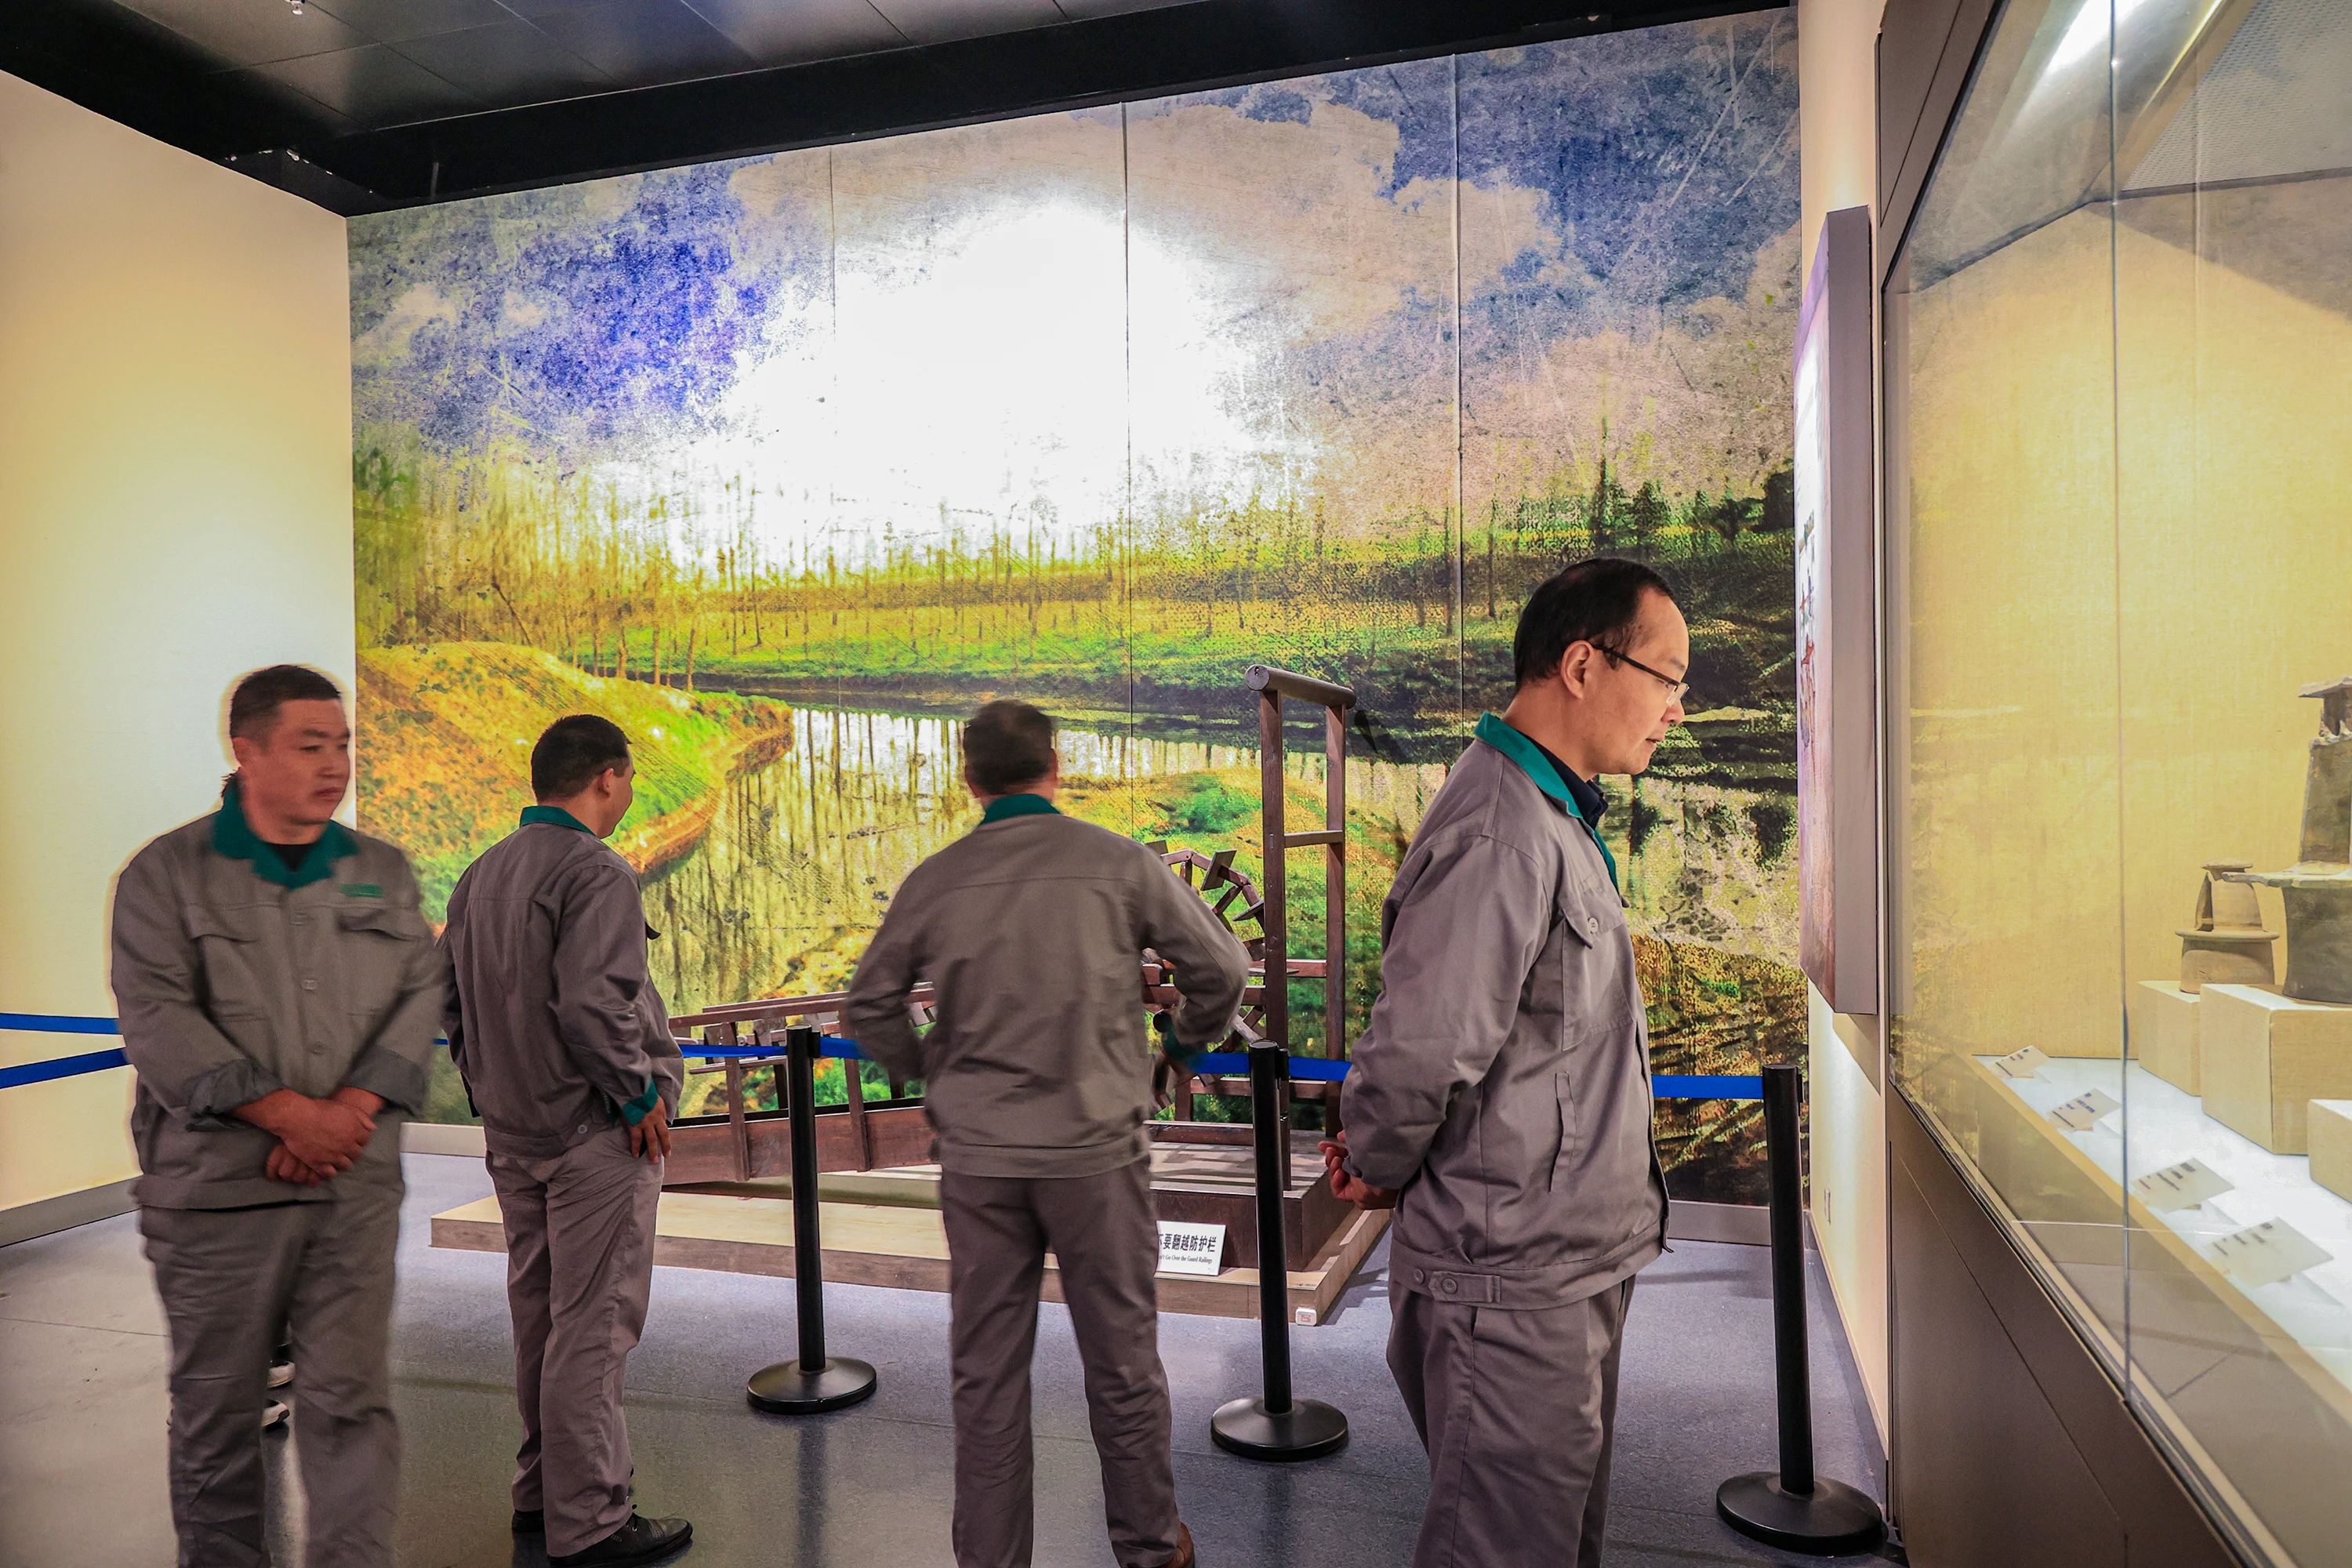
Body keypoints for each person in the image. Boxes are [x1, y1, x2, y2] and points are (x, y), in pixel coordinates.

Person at [1321, 557, 1685, 1568]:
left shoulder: (1549, 812)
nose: (1676, 709)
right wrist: (1377, 1159)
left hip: (1562, 1260)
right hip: (1508, 1278)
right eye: (1667, 677)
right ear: (1583, 665)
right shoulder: (1502, 831)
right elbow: (1423, 1046)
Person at [845, 700, 1247, 1568]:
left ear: (969, 779)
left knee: (987, 1378)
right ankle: (1149, 1546)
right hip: (1097, 1156)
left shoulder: (937, 880)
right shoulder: (1119, 863)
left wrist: (929, 1069)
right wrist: (1179, 1047)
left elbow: (868, 1004)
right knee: (1124, 1363)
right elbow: (1224, 967)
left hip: (981, 1163)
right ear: (1054, 767)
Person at [111, 664, 441, 1568]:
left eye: (342, 744)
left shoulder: (379, 870)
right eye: (310, 745)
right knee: (218, 1419)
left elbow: (418, 991)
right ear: (246, 751)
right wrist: (292, 1116)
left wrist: (348, 1113)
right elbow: (158, 1018)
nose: (334, 764)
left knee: (352, 1409)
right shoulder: (164, 876)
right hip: (218, 1200)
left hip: (351, 1192)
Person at [438, 715, 690, 1568]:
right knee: (594, 1325)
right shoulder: (596, 870)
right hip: (593, 1137)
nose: (628, 795)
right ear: (607, 778)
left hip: (514, 1133)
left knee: (540, 1315)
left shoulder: (481, 873)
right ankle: (592, 1520)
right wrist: (638, 1096)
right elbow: (593, 1004)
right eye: (629, 781)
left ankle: (542, 1496)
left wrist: (488, 1086)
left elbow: (449, 1003)